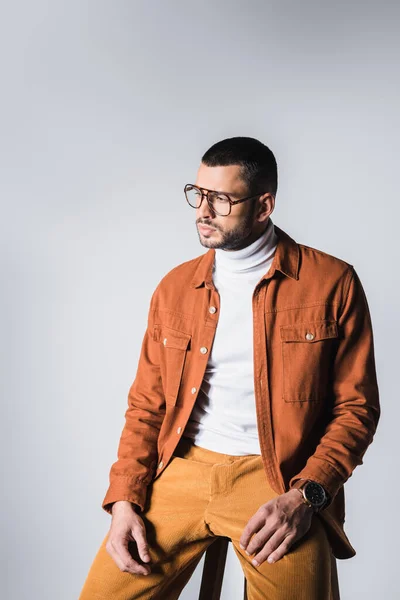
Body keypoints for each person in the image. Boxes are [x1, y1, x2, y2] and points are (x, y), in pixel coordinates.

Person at [79, 137, 380, 600]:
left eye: (221, 198)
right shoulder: (175, 288)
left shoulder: (333, 283)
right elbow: (146, 405)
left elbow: (356, 410)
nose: (203, 209)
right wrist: (124, 500)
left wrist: (306, 498)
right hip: (179, 469)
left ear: (264, 206)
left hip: (278, 478)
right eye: (197, 193)